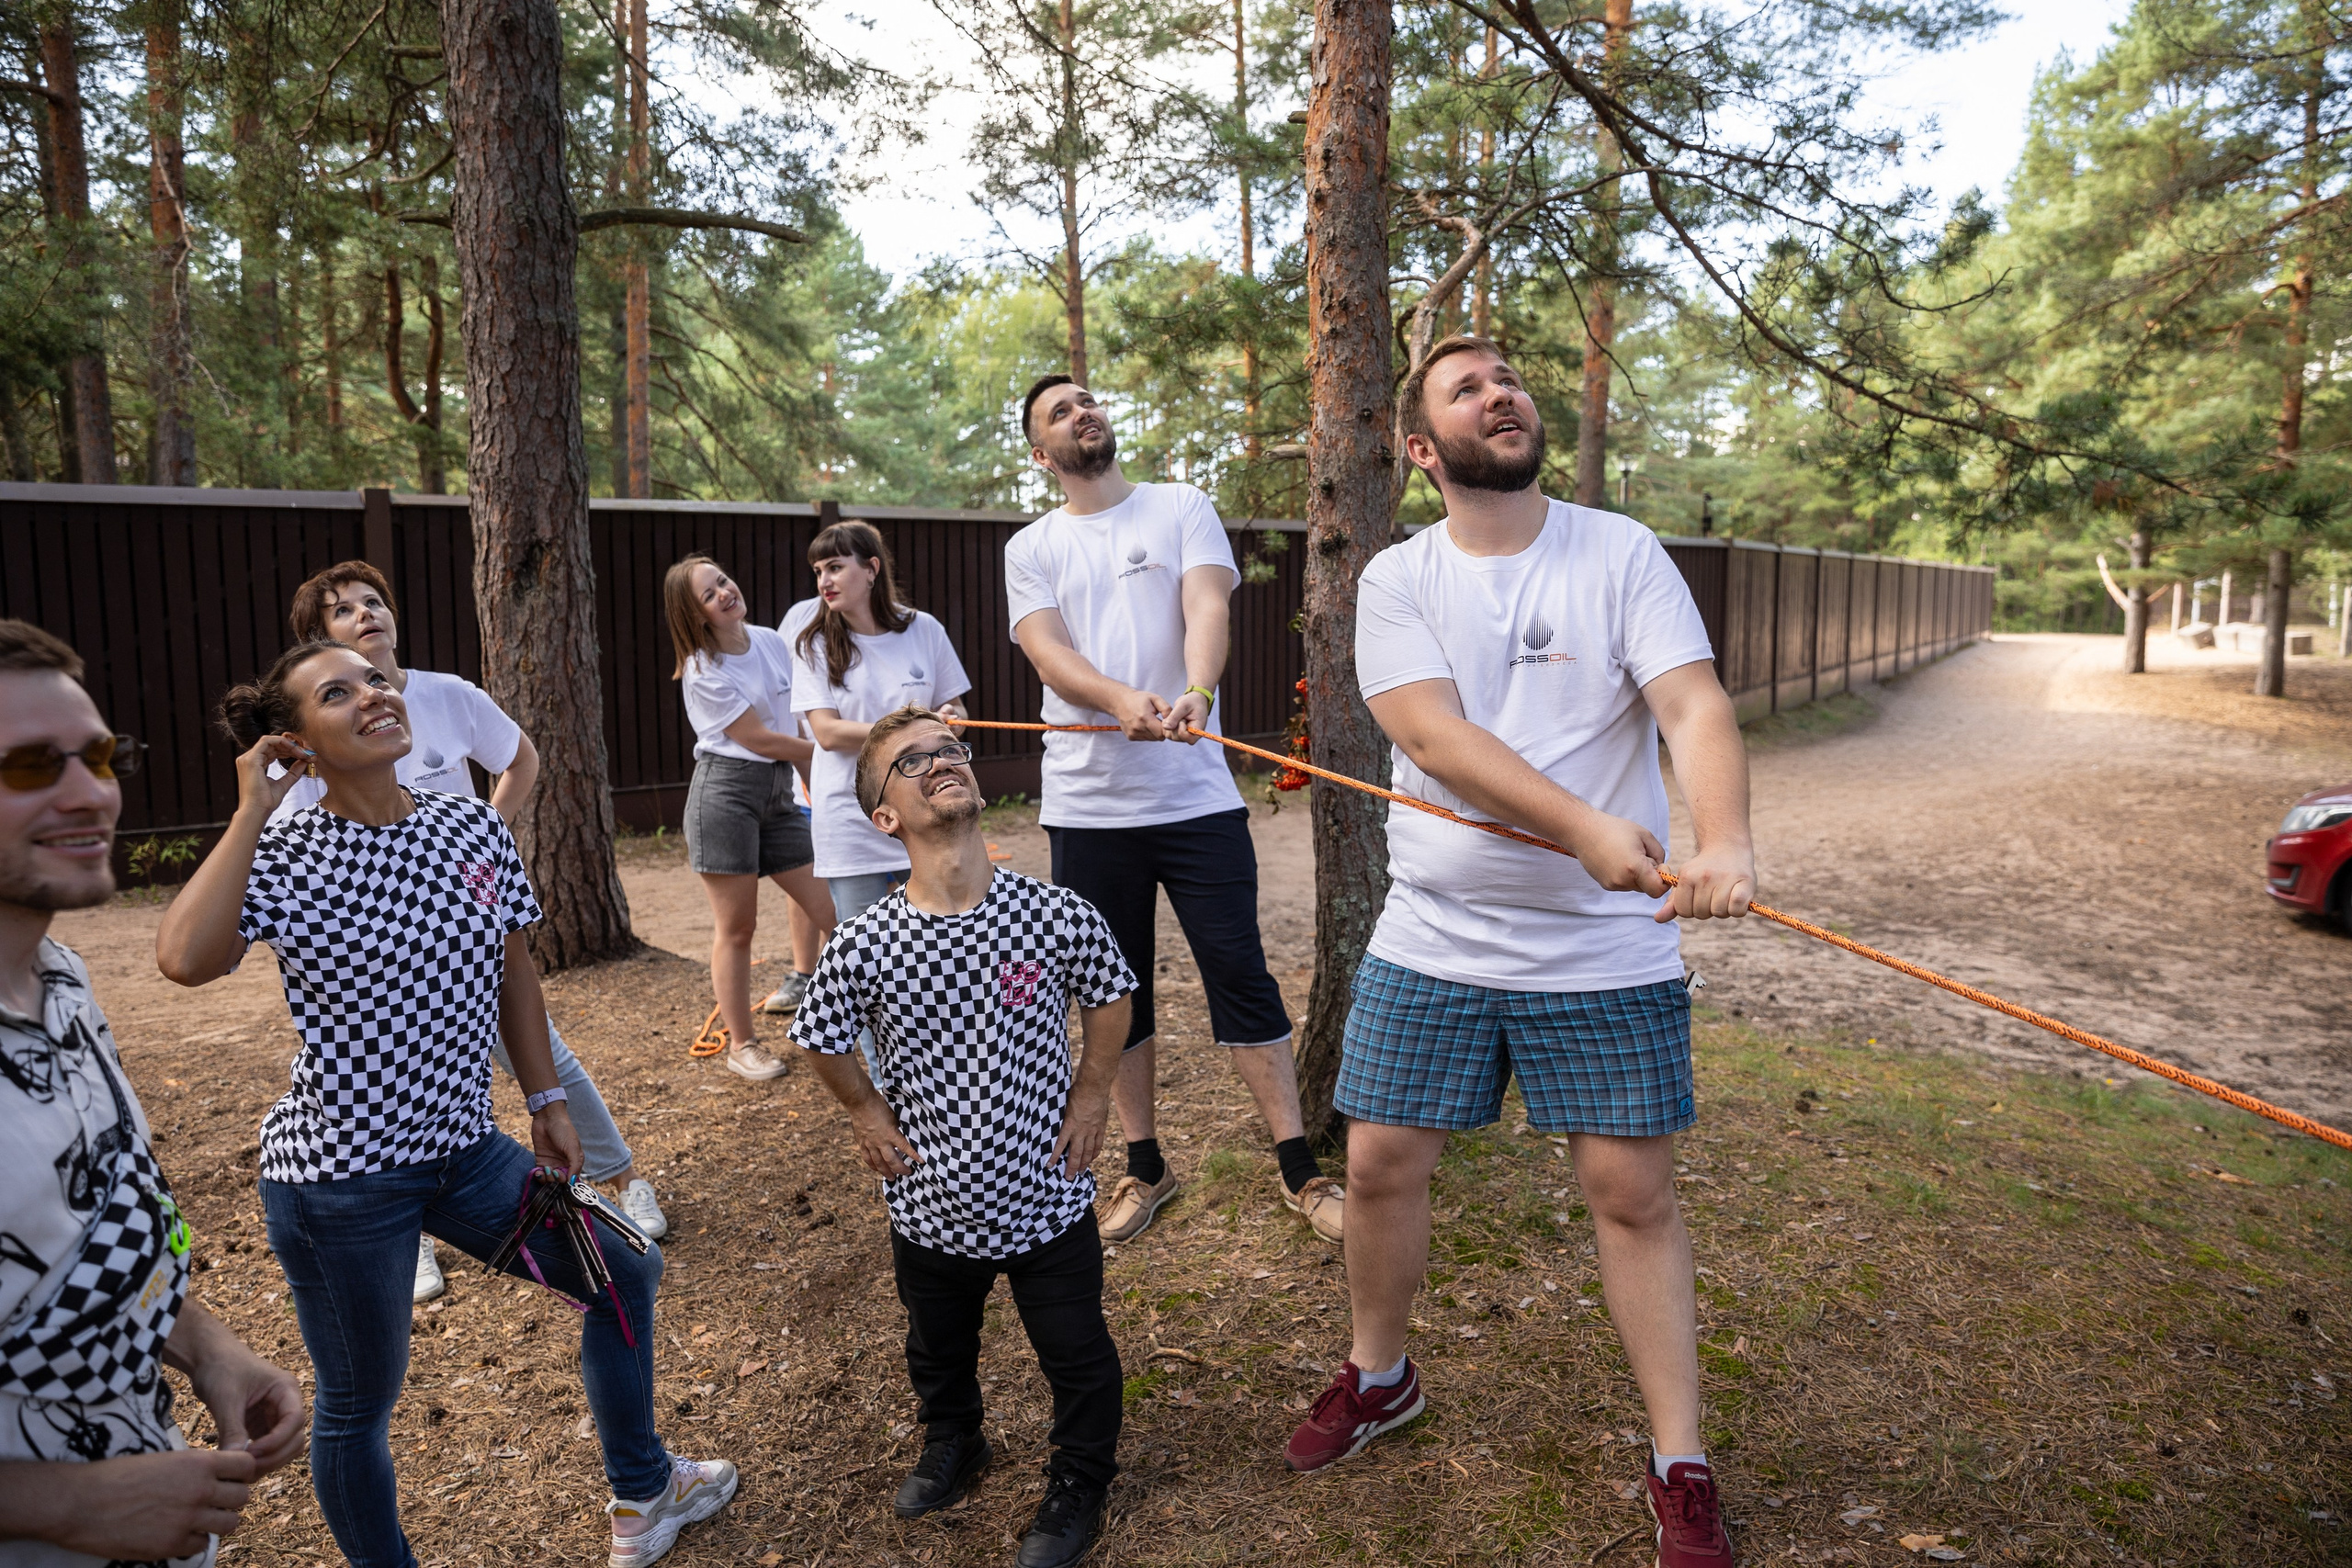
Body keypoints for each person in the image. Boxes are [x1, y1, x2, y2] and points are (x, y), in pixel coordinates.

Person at [1280, 336, 1754, 1568]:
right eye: (1466, 385)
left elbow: (1694, 704)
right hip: (1433, 935)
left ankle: (1680, 1457)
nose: (1503, 390)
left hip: (1605, 944)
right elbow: (1432, 735)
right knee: (1380, 1164)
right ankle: (1380, 1374)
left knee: (1630, 1193)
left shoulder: (1621, 550)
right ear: (1425, 450)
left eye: (1509, 376)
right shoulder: (1398, 576)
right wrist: (1590, 823)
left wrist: (1726, 839)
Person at [153, 641, 738, 1568]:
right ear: (294, 740)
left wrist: (545, 1096)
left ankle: (644, 1490)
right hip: (341, 1182)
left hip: (467, 1153)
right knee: (359, 1404)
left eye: (377, 680)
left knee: (623, 1274)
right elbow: (183, 960)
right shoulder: (287, 851)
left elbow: (512, 964)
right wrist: (249, 813)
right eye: (336, 693)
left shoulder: (469, 829)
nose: (374, 696)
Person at [1005, 376, 1343, 1247]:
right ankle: (1145, 1165)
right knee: (1117, 990)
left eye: (1087, 398)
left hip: (1196, 796)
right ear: (1043, 456)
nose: (1084, 409)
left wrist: (1197, 690)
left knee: (1239, 970)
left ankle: (1300, 1169)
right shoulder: (1031, 546)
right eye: (1059, 411)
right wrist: (1119, 697)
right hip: (1086, 804)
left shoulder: (1180, 505)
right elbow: (1048, 652)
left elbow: (1207, 605)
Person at [274, 560, 668, 1304]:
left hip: (468, 927)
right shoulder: (316, 736)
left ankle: (618, 1179)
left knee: (542, 1053)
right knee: (387, 1080)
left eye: (374, 601)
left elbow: (519, 759)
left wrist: (483, 849)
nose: (365, 614)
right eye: (342, 610)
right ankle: (413, 1229)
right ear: (315, 647)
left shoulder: (447, 695)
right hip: (379, 949)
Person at [792, 707, 1133, 1568]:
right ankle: (956, 1441)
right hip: (929, 1203)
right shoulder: (866, 940)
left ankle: (1079, 1478)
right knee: (938, 1348)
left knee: (1077, 1353)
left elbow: (1111, 993)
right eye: (913, 761)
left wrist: (1093, 1093)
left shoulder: (1054, 914)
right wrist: (867, 1112)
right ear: (885, 817)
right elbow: (819, 1035)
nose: (942, 760)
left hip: (1047, 1194)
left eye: (951, 749)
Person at [0, 619, 307, 1568]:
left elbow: (91, 1229)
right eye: (28, 766)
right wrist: (62, 1505)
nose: (91, 792)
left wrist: (204, 1346)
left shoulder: (61, 981)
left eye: (98, 755)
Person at [663, 555, 838, 1080]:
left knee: (834, 910)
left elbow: (802, 710)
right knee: (738, 928)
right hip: (726, 795)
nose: (724, 592)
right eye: (708, 594)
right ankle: (742, 1045)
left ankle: (856, 1020)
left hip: (778, 794)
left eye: (722, 580)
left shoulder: (768, 640)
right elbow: (759, 739)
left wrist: (817, 753)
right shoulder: (702, 670)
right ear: (695, 616)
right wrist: (826, 752)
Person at [787, 520, 970, 962]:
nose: (824, 581)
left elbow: (957, 710)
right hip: (851, 820)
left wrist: (949, 722)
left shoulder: (924, 628)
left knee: (937, 952)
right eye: (817, 571)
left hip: (926, 813)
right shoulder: (812, 642)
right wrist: (913, 732)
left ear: (871, 569)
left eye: (834, 566)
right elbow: (827, 733)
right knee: (867, 964)